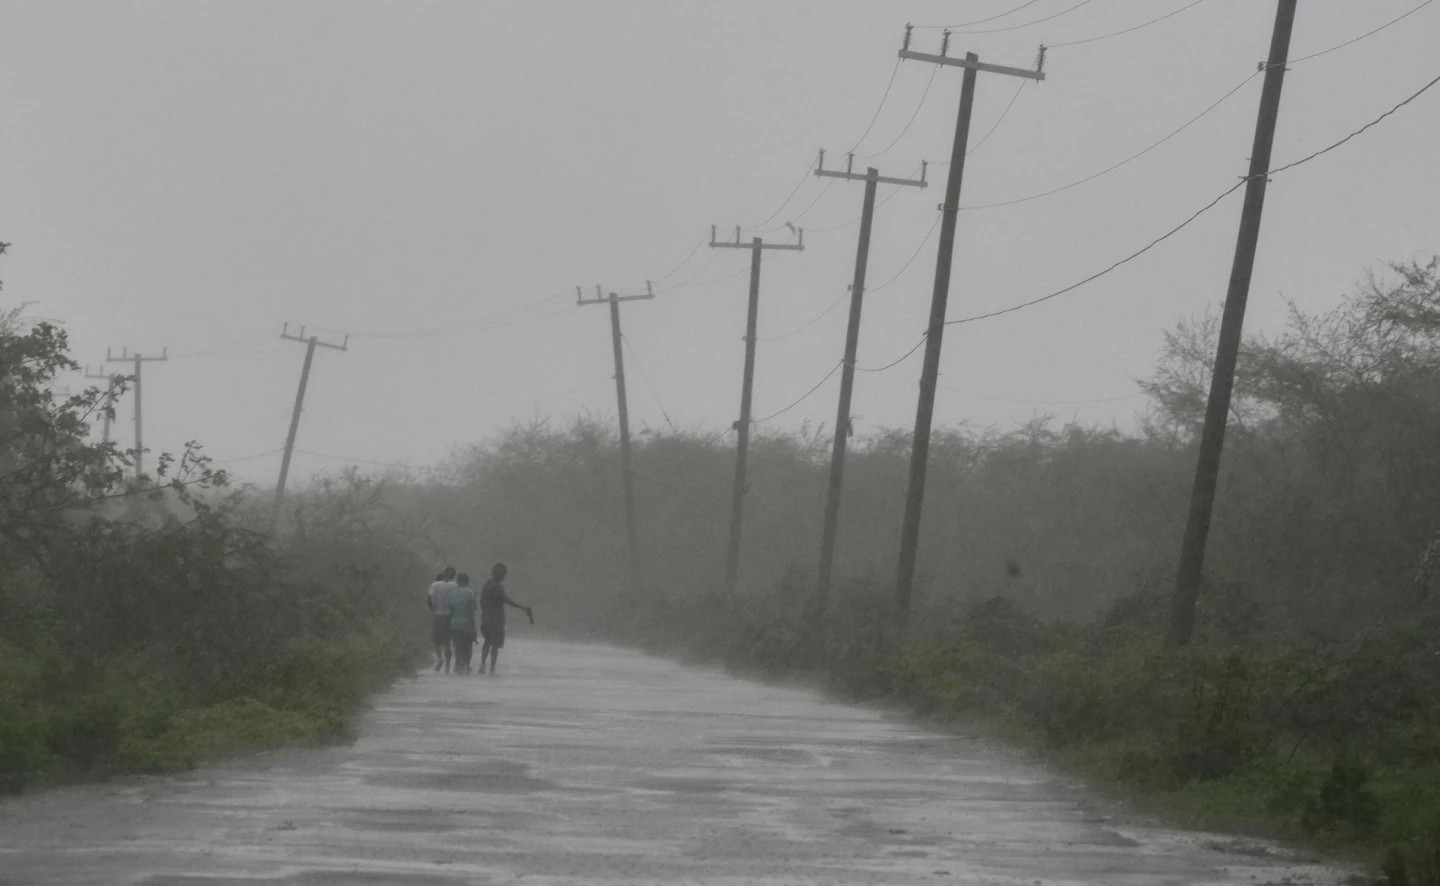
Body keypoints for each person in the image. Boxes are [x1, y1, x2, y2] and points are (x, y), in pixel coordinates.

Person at [478, 563, 532, 675]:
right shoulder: (499, 586)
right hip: (497, 619)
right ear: (502, 574)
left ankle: (482, 664)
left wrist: (485, 614)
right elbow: (506, 600)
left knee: (487, 642)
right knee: (495, 645)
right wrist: (521, 607)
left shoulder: (486, 584)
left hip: (487, 618)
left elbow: (482, 602)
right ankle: (492, 668)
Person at [426, 567, 458, 673]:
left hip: (438, 616)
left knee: (436, 641)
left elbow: (428, 599)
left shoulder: (434, 585)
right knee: (447, 643)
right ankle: (448, 667)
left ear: (444, 573)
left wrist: (433, 609)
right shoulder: (455, 585)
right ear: (453, 575)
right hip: (449, 616)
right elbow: (456, 601)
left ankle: (440, 659)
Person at [449, 572, 478, 674]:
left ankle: (457, 665)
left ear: (458, 581)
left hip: (454, 623)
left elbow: (450, 609)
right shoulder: (471, 593)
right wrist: (473, 625)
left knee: (458, 646)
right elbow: (472, 609)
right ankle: (466, 665)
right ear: (467, 581)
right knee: (468, 645)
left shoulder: (452, 593)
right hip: (467, 623)